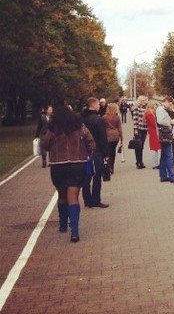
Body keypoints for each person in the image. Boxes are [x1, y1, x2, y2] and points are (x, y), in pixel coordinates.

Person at [42, 105, 95, 242]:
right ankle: (75, 232)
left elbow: (45, 145)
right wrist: (88, 156)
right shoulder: (80, 126)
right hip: (77, 164)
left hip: (58, 166)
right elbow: (91, 143)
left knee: (61, 195)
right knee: (73, 196)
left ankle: (63, 224)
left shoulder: (53, 128)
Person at [81, 97, 110, 208]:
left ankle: (87, 199)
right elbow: (103, 137)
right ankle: (96, 199)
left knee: (86, 175)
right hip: (97, 150)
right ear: (93, 105)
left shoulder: (82, 119)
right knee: (97, 174)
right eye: (98, 104)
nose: (99, 106)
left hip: (84, 150)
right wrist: (106, 153)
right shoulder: (98, 120)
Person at [156, 96, 174, 183]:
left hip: (166, 135)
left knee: (164, 156)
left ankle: (163, 176)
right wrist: (171, 122)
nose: (170, 106)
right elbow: (160, 121)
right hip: (165, 135)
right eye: (170, 104)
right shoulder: (160, 109)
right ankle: (172, 177)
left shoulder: (163, 109)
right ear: (166, 101)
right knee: (169, 156)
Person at [103, 103, 123, 174]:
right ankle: (112, 167)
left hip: (107, 136)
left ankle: (108, 167)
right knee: (113, 151)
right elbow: (120, 128)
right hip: (115, 136)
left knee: (108, 152)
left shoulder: (104, 117)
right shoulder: (117, 117)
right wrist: (121, 138)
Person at [131, 96, 148, 169]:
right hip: (139, 129)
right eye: (143, 100)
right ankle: (138, 162)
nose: (145, 101)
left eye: (145, 100)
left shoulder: (145, 108)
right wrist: (136, 129)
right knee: (138, 146)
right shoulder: (136, 108)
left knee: (142, 146)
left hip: (145, 129)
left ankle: (140, 161)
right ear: (140, 101)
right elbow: (135, 119)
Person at [144, 100, 161, 169]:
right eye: (155, 105)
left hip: (153, 131)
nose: (156, 106)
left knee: (155, 148)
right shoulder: (150, 114)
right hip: (153, 132)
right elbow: (153, 124)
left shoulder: (150, 113)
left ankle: (156, 163)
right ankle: (155, 164)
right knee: (154, 148)